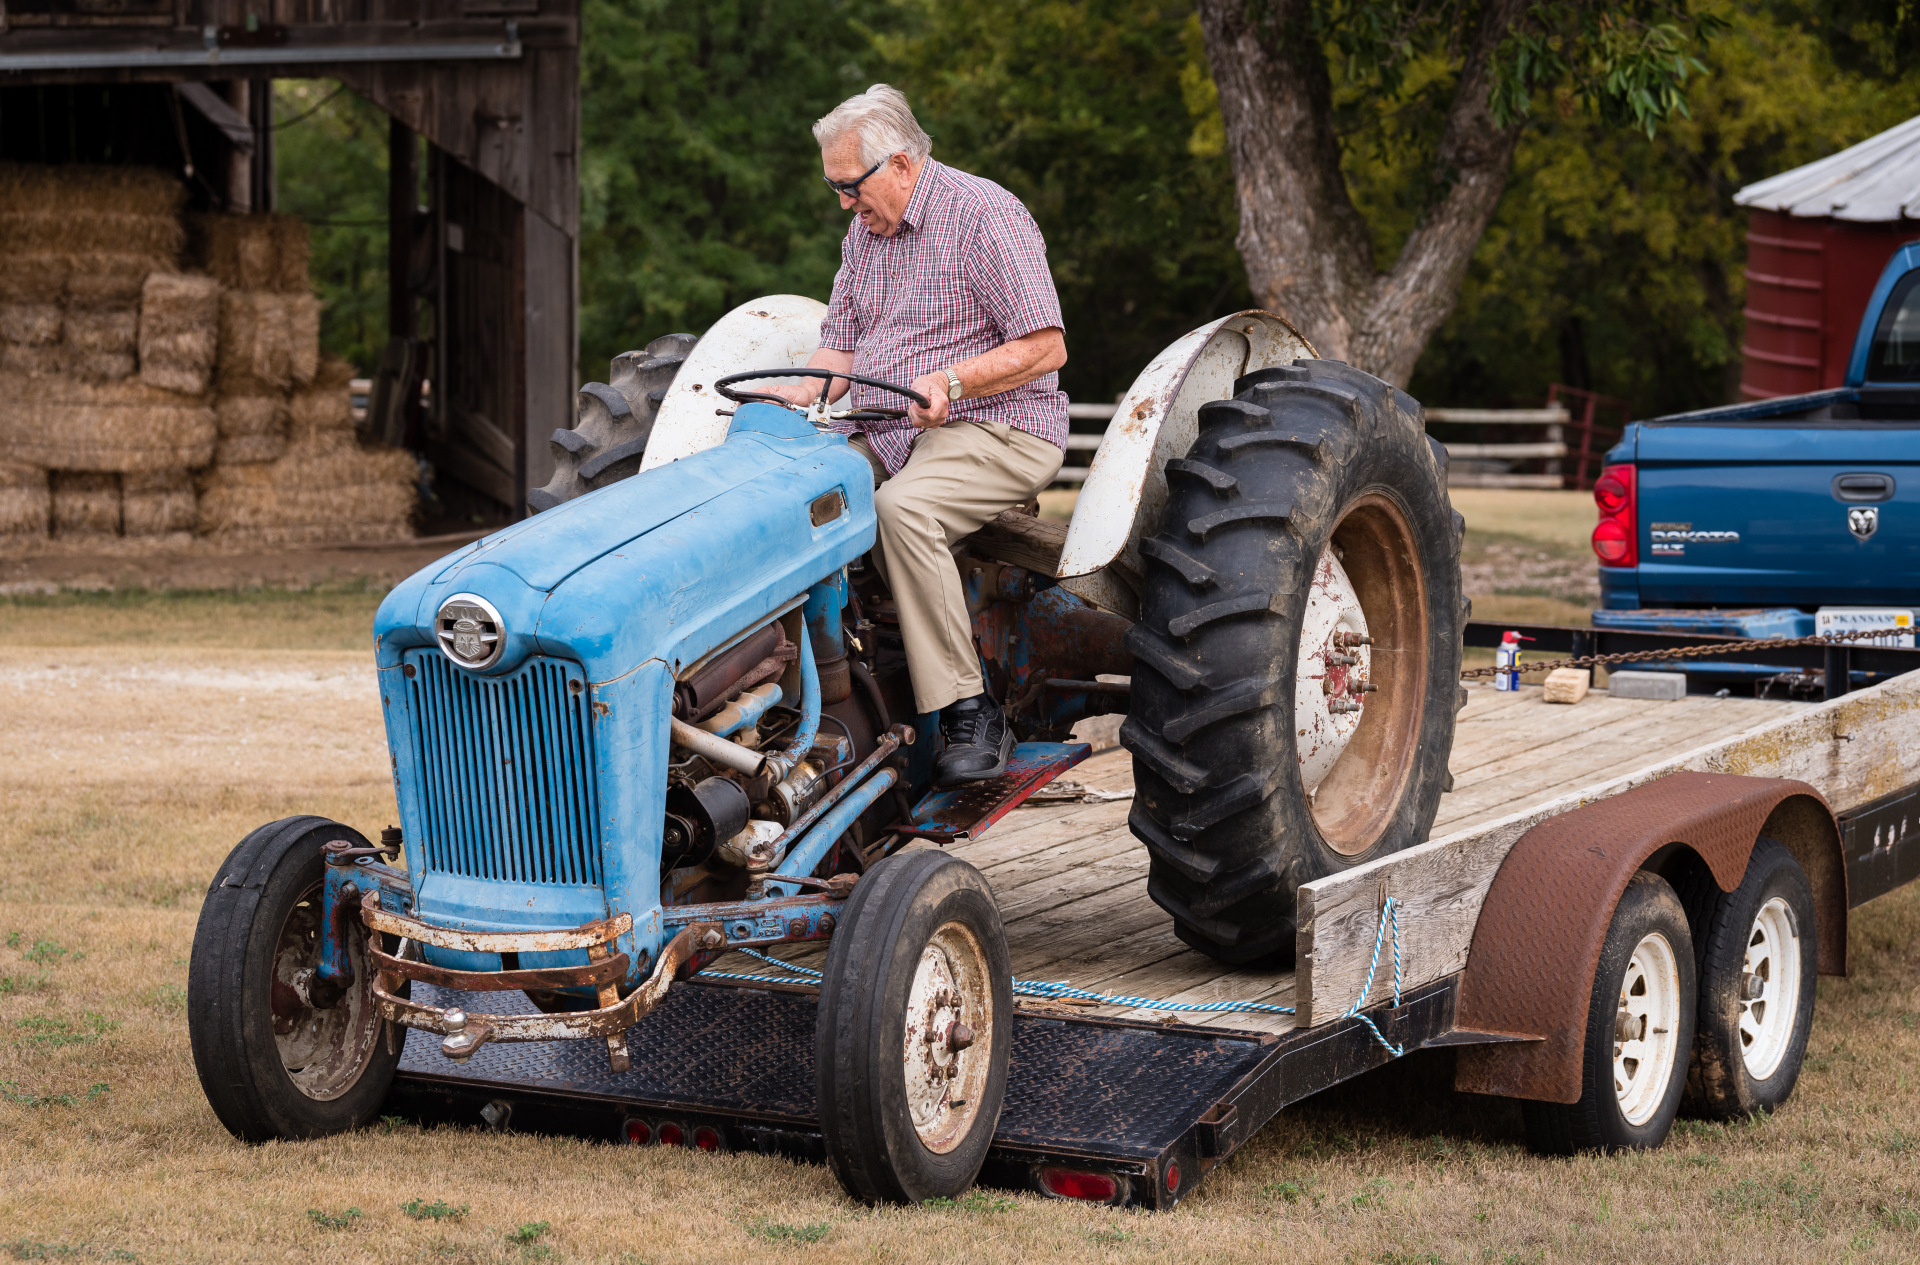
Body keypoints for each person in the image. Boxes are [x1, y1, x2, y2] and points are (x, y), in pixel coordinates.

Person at [763, 84, 1068, 786]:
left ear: (900, 164)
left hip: (997, 425)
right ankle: (799, 686)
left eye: (849, 186)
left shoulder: (986, 216)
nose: (843, 203)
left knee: (906, 510)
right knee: (793, 500)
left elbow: (1047, 346)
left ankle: (970, 706)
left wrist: (953, 382)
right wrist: (796, 391)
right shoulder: (866, 235)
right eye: (835, 188)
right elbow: (839, 349)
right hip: (892, 429)